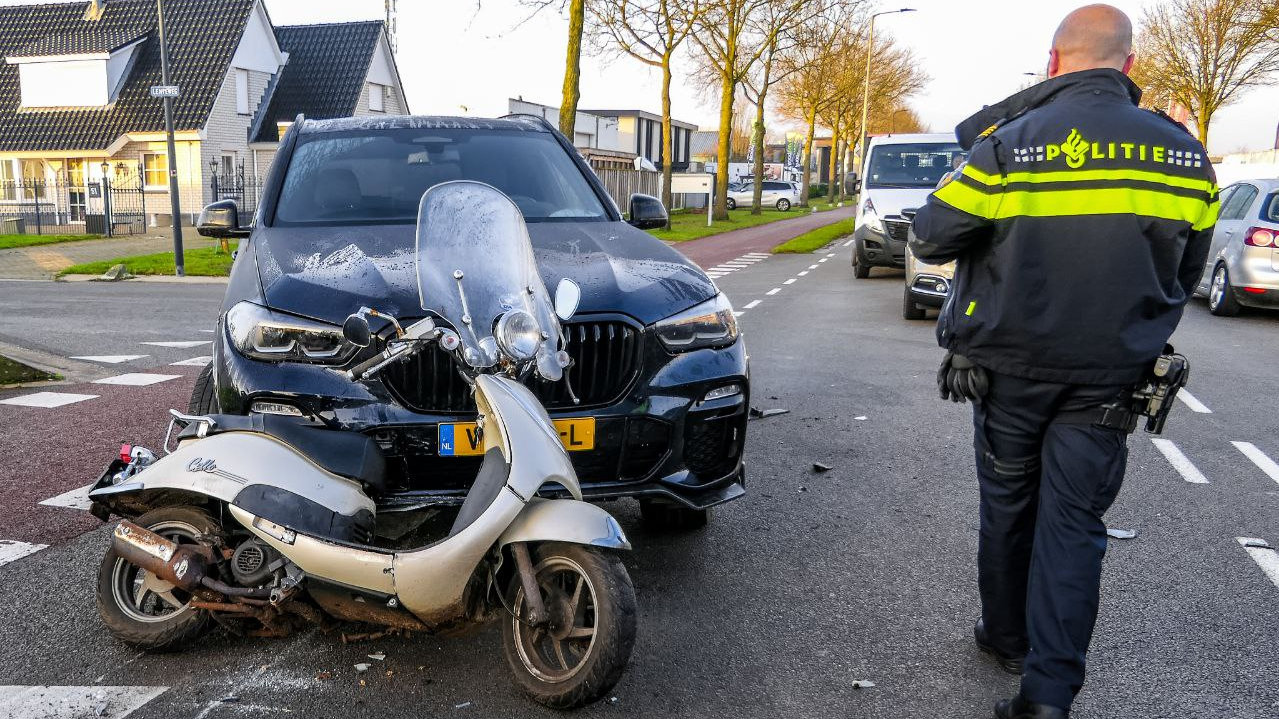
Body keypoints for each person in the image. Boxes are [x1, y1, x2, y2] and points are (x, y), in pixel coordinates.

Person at [909, 5, 1219, 718]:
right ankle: (1047, 698)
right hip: (1110, 377)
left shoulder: (1009, 142)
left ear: (1052, 63)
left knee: (1008, 503)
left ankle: (1006, 634)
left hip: (1010, 368)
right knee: (1074, 524)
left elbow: (930, 236)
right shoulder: (1183, 155)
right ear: (1129, 65)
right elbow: (1188, 271)